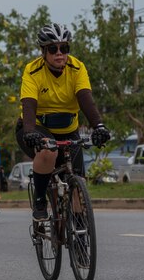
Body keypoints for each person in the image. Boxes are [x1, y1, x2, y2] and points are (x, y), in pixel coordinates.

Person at [16, 23, 111, 220]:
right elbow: (29, 104)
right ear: (44, 51)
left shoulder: (77, 68)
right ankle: (40, 199)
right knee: (48, 151)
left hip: (68, 129)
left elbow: (85, 98)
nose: (59, 53)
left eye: (64, 48)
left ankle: (79, 230)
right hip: (36, 127)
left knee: (77, 184)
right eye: (53, 49)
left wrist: (99, 126)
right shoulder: (32, 71)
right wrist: (30, 132)